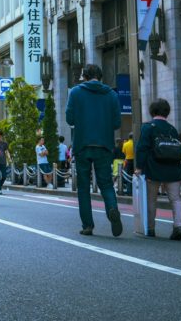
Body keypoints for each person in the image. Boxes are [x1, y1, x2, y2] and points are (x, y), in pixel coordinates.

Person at [65, 64, 123, 237]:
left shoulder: (75, 92)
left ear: (85, 76)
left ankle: (88, 225)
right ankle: (112, 208)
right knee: (105, 183)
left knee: (83, 186)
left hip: (82, 144)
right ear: (100, 76)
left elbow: (69, 119)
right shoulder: (111, 94)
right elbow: (117, 123)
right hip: (104, 145)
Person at [135, 99, 181, 240]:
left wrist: (139, 167)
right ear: (167, 112)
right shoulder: (172, 129)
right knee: (176, 199)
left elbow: (142, 148)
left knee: (151, 199)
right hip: (173, 169)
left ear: (152, 111)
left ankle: (150, 228)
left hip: (153, 168)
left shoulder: (148, 127)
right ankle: (178, 226)